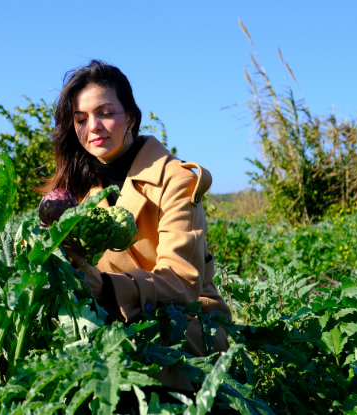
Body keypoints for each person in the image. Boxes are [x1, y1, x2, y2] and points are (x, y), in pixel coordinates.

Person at [39, 60, 233, 395]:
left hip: (183, 322)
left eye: (105, 112)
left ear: (130, 115)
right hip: (105, 319)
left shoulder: (176, 178)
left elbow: (182, 283)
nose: (94, 127)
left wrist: (103, 286)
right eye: (81, 119)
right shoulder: (78, 189)